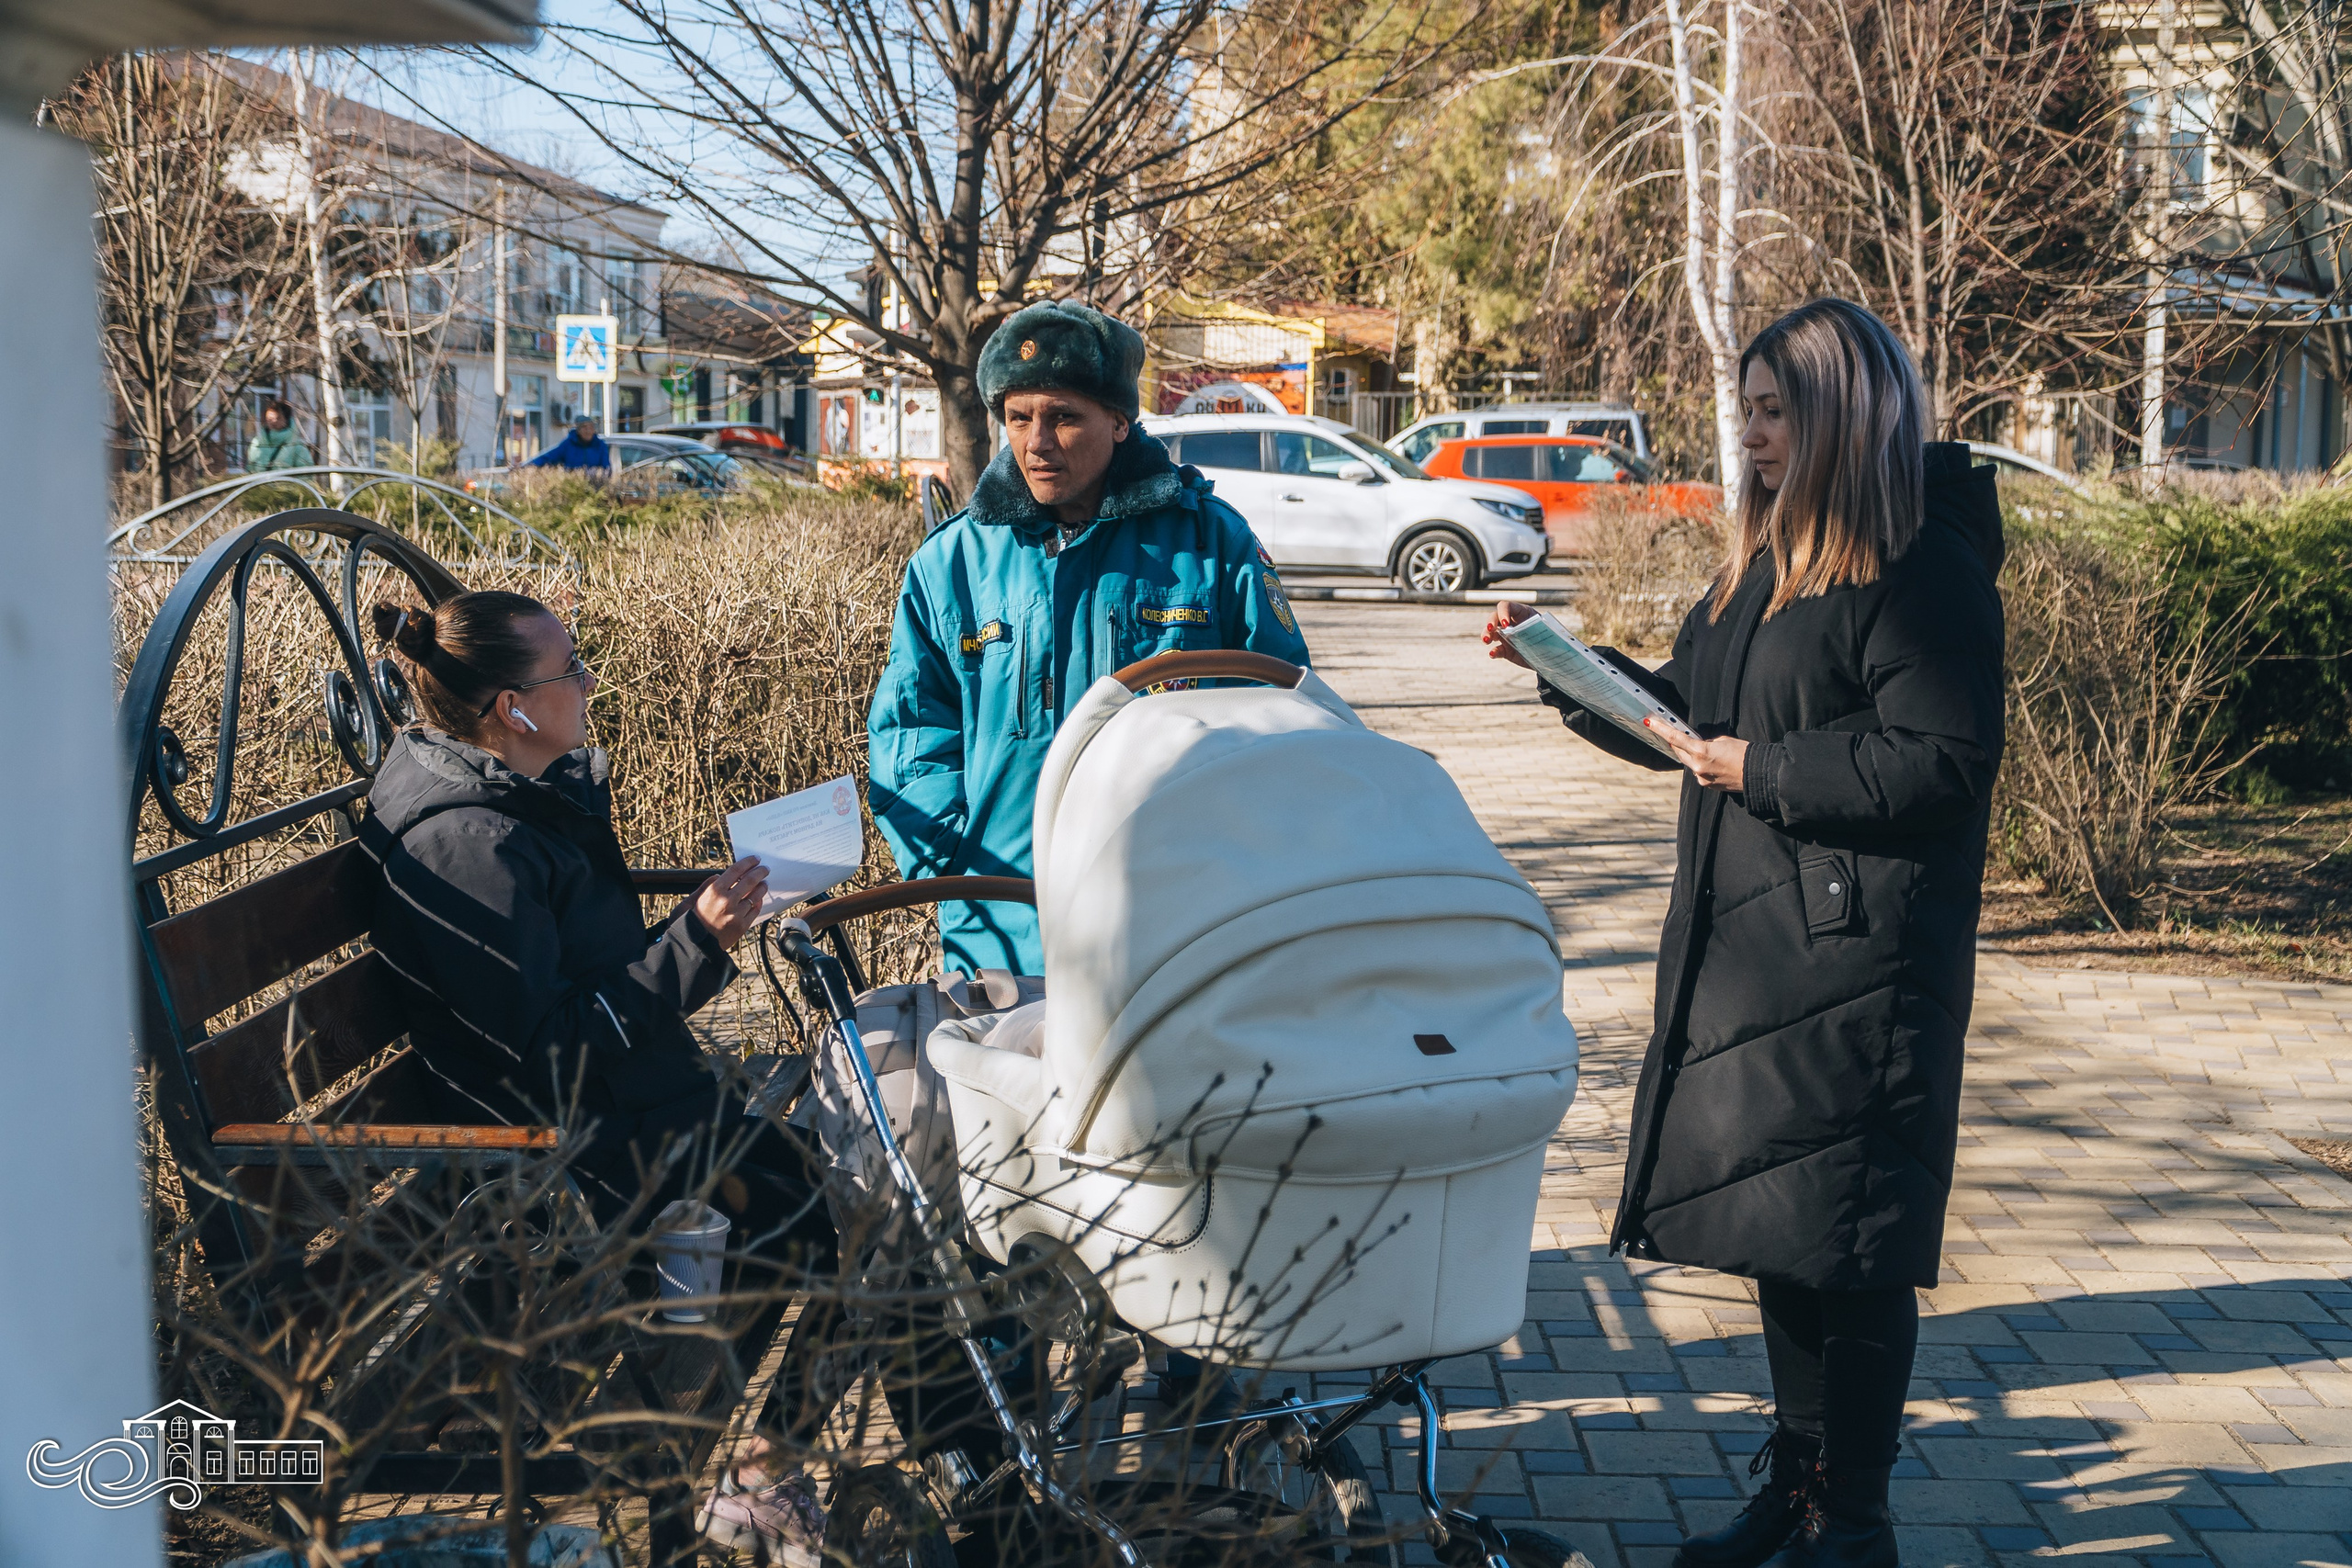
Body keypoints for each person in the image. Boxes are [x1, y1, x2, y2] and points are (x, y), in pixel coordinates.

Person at [1483, 299, 2003, 1568]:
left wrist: (1757, 765)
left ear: (1839, 414)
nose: (1754, 436)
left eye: (1776, 411)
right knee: (1789, 1228)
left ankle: (1855, 1517)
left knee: (1854, 1248)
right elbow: (1687, 720)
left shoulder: (1919, 563)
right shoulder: (1760, 565)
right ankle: (1802, 1481)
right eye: (1751, 411)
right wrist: (1572, 673)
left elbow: (1941, 760)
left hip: (1866, 963)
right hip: (1759, 949)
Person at [358, 590, 831, 1266]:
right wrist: (693, 942)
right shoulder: (468, 846)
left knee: (854, 1178)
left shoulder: (513, 808)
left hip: (632, 1121)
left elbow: (583, 979)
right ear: (511, 709)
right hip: (579, 1181)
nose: (588, 680)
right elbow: (555, 1056)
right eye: (570, 667)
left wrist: (694, 927)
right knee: (844, 1208)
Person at [867, 300, 1311, 976]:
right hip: (1003, 939)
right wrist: (959, 870)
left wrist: (1231, 859)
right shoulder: (949, 564)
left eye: (1064, 417)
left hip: (1177, 931)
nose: (1037, 440)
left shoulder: (1212, 544)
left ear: (1120, 421)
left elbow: (1286, 715)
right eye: (1019, 418)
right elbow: (909, 736)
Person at [245, 398, 312, 471]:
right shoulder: (257, 443)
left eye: (278, 418)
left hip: (287, 483)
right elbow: (250, 469)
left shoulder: (296, 445)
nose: (273, 422)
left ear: (286, 420)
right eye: (269, 419)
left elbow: (305, 473)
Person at [528, 414, 613, 470]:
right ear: (578, 430)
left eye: (591, 427)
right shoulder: (569, 444)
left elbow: (606, 468)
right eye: (584, 427)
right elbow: (549, 457)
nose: (588, 431)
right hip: (572, 486)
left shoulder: (600, 446)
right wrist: (529, 466)